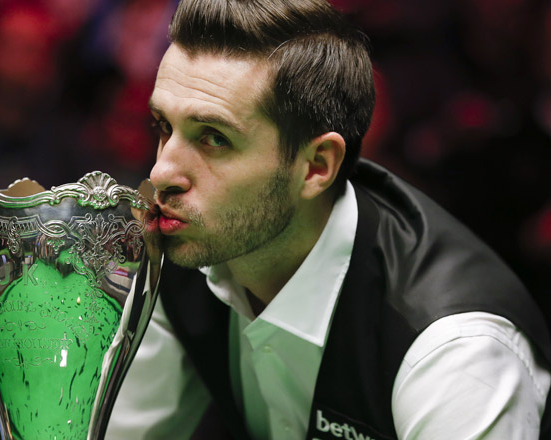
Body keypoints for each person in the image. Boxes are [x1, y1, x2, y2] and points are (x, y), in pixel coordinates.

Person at [105, 0, 551, 438]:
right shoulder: (187, 252)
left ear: (316, 166)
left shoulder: (454, 354)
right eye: (164, 127)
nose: (160, 174)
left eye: (215, 138)